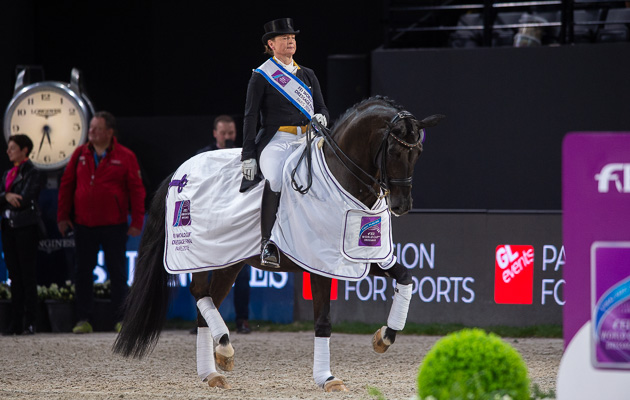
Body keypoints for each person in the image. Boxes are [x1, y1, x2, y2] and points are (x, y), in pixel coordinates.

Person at [241, 18, 329, 267]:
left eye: (293, 37)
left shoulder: (308, 74)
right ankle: (267, 242)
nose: (291, 41)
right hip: (278, 140)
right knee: (276, 179)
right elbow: (250, 117)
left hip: (307, 139)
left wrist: (323, 116)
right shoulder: (261, 76)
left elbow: (321, 107)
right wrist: (248, 154)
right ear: (271, 44)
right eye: (284, 38)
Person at [57, 111, 146, 334]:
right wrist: (62, 216)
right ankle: (83, 319)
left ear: (109, 132)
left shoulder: (125, 156)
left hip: (114, 224)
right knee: (82, 272)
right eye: (91, 128)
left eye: (97, 128)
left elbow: (137, 190)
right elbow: (66, 186)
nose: (91, 132)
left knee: (117, 272)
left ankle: (122, 319)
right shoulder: (79, 154)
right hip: (83, 224)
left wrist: (137, 220)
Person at [196, 115, 251, 334]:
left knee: (242, 274)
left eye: (231, 133)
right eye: (224, 133)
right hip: (210, 225)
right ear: (215, 133)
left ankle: (242, 320)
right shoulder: (203, 157)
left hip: (236, 225)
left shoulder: (244, 156)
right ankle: (202, 321)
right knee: (202, 276)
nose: (228, 137)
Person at [0, 134, 44, 335]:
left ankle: (30, 321)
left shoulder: (33, 172)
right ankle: (15, 321)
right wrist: (6, 196)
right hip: (8, 227)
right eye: (8, 148)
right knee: (14, 276)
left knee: (27, 275)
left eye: (13, 147)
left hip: (26, 227)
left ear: (25, 149)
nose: (9, 151)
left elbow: (24, 199)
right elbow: (6, 197)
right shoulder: (7, 174)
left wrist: (6, 198)